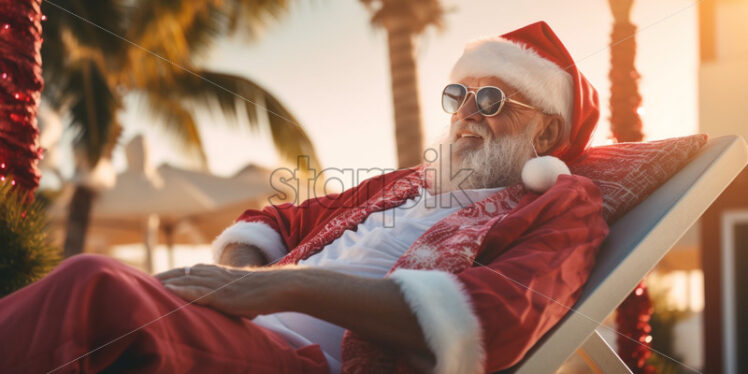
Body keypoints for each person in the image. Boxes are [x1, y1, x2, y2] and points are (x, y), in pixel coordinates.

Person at [0, 21, 608, 374]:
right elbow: (277, 217)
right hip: (238, 327)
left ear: (547, 132)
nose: (467, 115)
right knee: (105, 294)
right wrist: (237, 276)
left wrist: (281, 287)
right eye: (459, 96)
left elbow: (495, 320)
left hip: (306, 362)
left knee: (93, 289)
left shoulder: (559, 205)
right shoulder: (408, 184)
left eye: (493, 100)